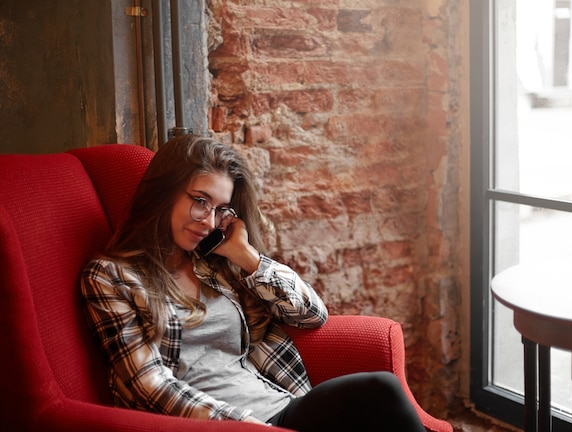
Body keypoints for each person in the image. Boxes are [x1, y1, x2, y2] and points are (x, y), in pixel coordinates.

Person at [81, 134, 426, 432]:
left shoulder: (214, 266)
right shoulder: (111, 277)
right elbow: (149, 385)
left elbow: (312, 315)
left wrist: (246, 256)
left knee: (380, 396)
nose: (209, 221)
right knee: (379, 392)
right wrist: (249, 427)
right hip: (229, 425)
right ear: (164, 193)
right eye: (199, 201)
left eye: (220, 209)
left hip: (282, 407)